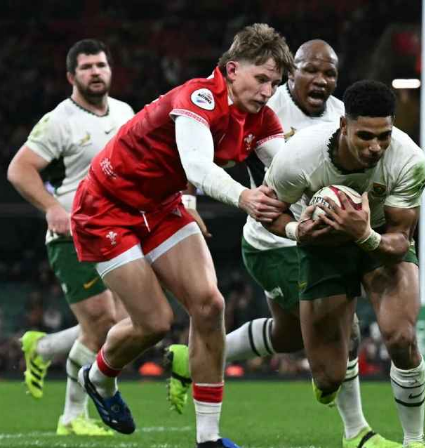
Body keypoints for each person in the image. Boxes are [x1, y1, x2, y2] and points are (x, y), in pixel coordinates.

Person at [165, 41, 400, 448]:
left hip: (324, 238)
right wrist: (188, 202)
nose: (321, 80)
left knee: (289, 336)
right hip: (275, 240)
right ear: (292, 74)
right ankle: (357, 432)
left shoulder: (346, 116)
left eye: (329, 73)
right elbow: (199, 150)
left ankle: (198, 356)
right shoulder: (262, 103)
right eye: (311, 70)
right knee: (344, 325)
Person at [69, 24, 294, 448]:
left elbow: (287, 171)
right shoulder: (198, 97)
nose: (268, 91)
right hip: (107, 207)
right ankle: (98, 377)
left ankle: (208, 439)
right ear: (232, 69)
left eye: (275, 83)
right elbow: (197, 167)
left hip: (160, 206)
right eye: (261, 79)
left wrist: (324, 201)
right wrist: (245, 197)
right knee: (154, 322)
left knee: (210, 304)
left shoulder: (262, 118)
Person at [262, 80, 425, 448]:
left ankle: (414, 440)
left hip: (379, 238)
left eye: (384, 136)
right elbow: (267, 211)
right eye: (365, 136)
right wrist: (295, 230)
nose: (376, 147)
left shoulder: (409, 159)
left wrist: (365, 234)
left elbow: (401, 239)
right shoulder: (298, 156)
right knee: (328, 380)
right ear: (343, 125)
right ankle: (331, 372)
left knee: (401, 337)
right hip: (322, 245)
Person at [7, 39, 134, 437]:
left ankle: (43, 349)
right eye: (86, 67)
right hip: (73, 233)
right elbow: (19, 169)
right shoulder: (59, 120)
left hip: (117, 231)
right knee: (102, 322)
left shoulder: (125, 112)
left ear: (110, 70)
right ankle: (72, 417)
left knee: (126, 323)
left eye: (101, 65)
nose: (95, 72)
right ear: (71, 76)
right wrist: (51, 207)